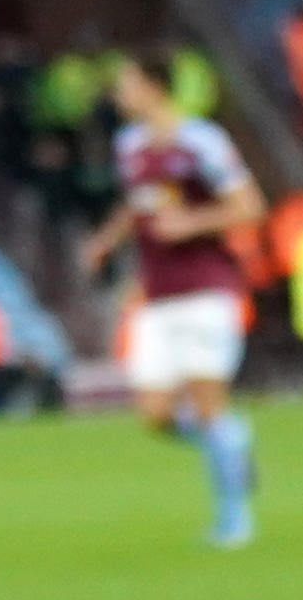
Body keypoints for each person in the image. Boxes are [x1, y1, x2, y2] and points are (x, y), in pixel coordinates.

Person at [83, 51, 265, 546]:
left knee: (208, 407)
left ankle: (234, 518)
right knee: (155, 414)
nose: (119, 96)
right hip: (157, 295)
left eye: (126, 84)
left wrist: (193, 222)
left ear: (154, 87)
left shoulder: (201, 140)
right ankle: (233, 443)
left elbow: (249, 206)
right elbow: (137, 204)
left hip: (207, 289)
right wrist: (107, 240)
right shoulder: (129, 146)